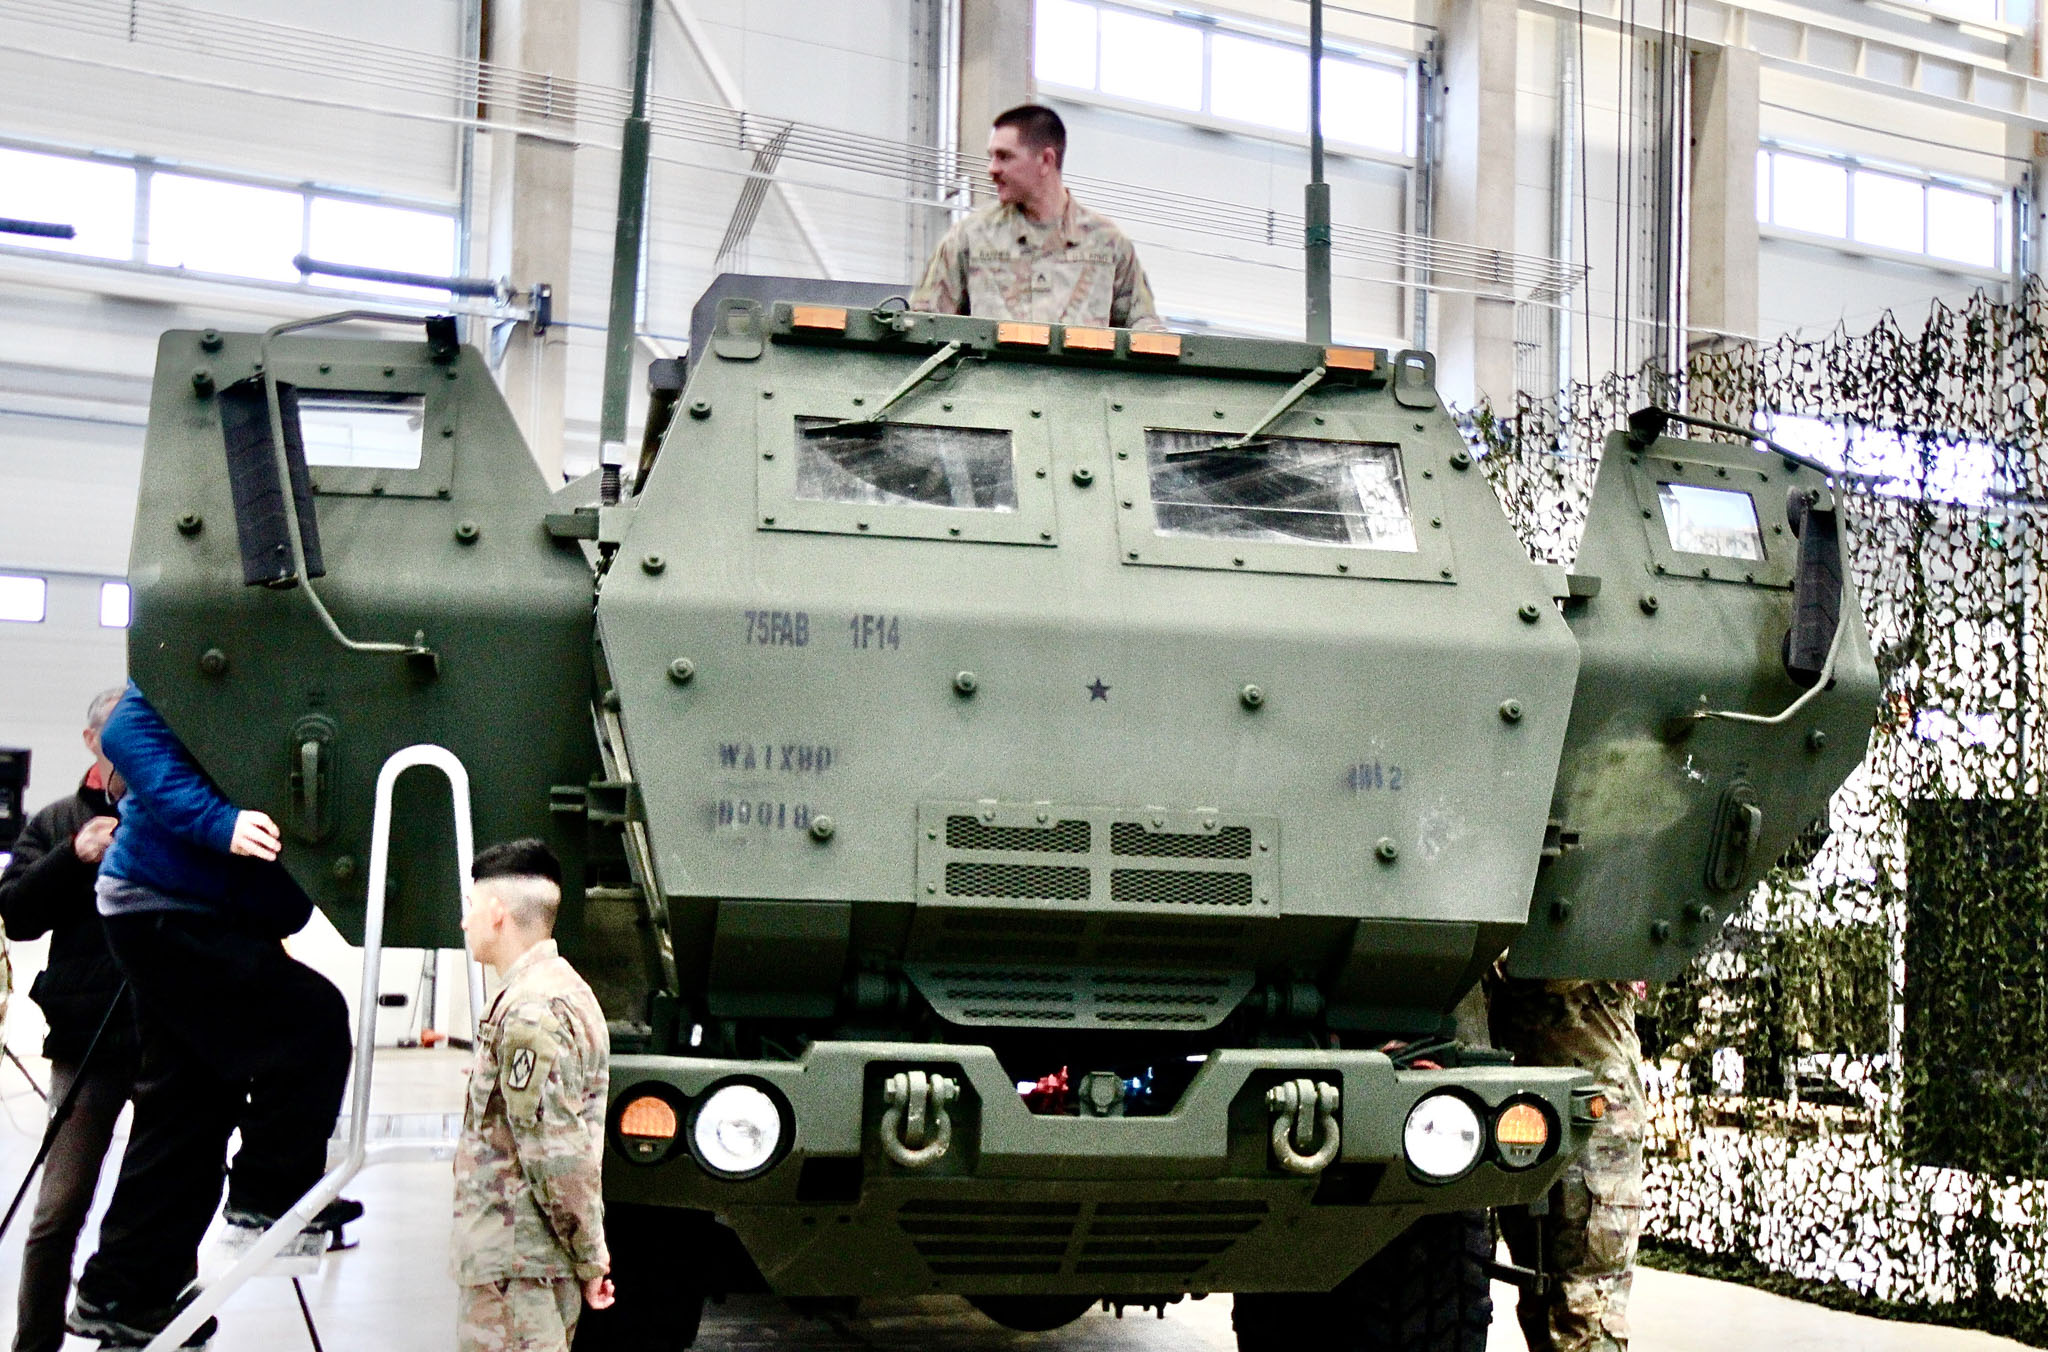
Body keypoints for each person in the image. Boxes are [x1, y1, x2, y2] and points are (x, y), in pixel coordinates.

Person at [67, 682, 353, 1347]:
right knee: (311, 1021)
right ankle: (270, 1199)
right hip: (165, 905)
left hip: (190, 910)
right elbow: (126, 732)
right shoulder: (218, 645)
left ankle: (126, 1291)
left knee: (187, 1111)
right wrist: (217, 824)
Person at [0, 688, 140, 1352]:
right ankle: (33, 1342)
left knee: (161, 1194)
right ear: (92, 742)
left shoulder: (174, 812)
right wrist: (73, 857)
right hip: (87, 1039)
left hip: (171, 1039)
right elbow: (19, 916)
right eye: (119, 734)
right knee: (60, 1207)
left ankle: (145, 1324)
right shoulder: (58, 820)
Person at [453, 839, 613, 1352]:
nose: (465, 923)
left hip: (517, 1270)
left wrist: (592, 1257)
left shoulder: (530, 1012)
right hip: (528, 1266)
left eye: (471, 909)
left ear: (497, 913)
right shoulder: (559, 991)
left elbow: (556, 1155)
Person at [1489, 976, 1647, 1352]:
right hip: (1523, 1102)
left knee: (1586, 1302)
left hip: (1595, 1112)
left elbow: (1541, 965)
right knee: (1538, 1295)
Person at [910, 103, 1162, 330]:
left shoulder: (1108, 244)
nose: (992, 169)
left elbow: (1145, 329)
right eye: (992, 157)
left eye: (1004, 156)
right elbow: (923, 325)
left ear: (1045, 160)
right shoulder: (970, 238)